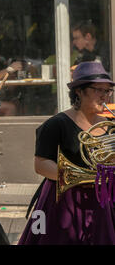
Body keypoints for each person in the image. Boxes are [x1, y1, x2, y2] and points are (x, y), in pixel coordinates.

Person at [18, 61, 115, 245]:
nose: (104, 96)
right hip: (63, 202)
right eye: (98, 90)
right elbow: (40, 164)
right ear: (79, 91)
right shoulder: (56, 124)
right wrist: (80, 177)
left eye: (107, 91)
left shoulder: (110, 128)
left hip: (101, 201)